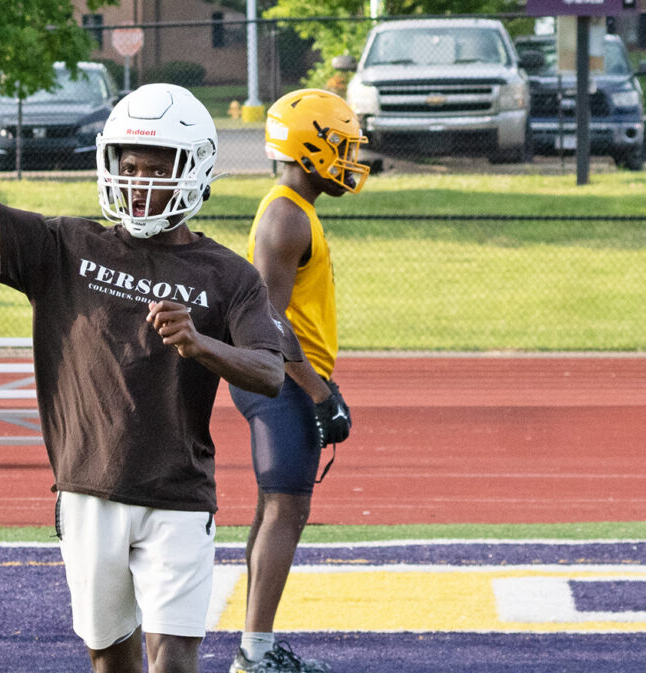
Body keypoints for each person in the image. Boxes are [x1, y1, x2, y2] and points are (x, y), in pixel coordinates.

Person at [0, 82, 299, 673]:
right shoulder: (66, 244)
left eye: (157, 169)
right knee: (110, 657)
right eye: (130, 167)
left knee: (175, 656)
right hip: (87, 487)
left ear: (194, 170)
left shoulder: (229, 274)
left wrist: (201, 345)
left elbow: (270, 371)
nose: (140, 185)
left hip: (178, 492)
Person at [228, 89, 366, 673]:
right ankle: (255, 654)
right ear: (308, 146)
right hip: (280, 378)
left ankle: (254, 647)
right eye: (340, 145)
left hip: (282, 376)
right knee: (287, 510)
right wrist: (319, 392)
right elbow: (270, 319)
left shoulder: (295, 209)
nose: (350, 157)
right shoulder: (286, 213)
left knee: (274, 509)